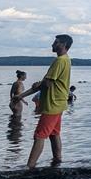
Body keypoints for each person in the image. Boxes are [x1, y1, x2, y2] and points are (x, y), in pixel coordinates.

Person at [14, 34, 73, 169]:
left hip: (52, 104)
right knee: (54, 134)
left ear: (63, 45)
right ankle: (57, 161)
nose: (52, 45)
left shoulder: (59, 61)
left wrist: (26, 92)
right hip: (59, 103)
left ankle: (30, 167)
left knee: (39, 136)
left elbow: (46, 84)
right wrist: (25, 93)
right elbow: (46, 83)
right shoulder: (66, 60)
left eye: (56, 42)